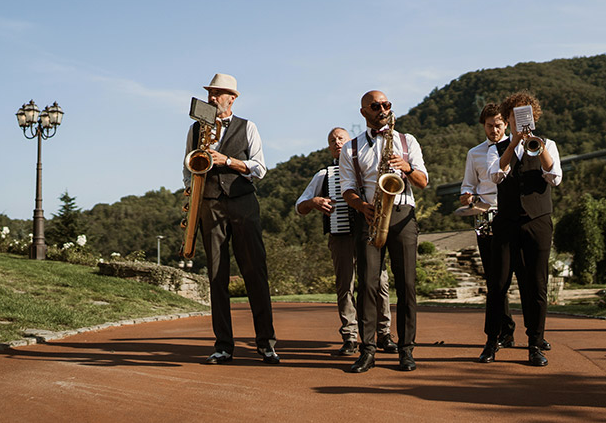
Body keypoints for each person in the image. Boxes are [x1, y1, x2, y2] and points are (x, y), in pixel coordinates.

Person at [183, 73, 279, 365]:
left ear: (232, 98)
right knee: (216, 276)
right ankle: (223, 345)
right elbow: (187, 168)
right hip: (209, 205)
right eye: (210, 93)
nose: (212, 98)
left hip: (243, 203)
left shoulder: (248, 126)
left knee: (255, 274)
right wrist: (192, 190)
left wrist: (227, 160)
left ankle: (266, 344)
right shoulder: (195, 128)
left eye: (217, 94)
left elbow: (260, 168)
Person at [339, 91, 428, 373]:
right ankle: (367, 351)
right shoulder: (350, 148)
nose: (382, 109)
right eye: (376, 106)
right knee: (367, 284)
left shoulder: (406, 141)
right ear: (364, 112)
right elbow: (347, 189)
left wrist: (406, 166)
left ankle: (406, 350)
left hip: (402, 214)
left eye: (387, 105)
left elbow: (423, 181)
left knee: (407, 285)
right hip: (370, 214)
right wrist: (361, 205)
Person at [295, 127, 398, 357]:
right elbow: (299, 207)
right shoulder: (324, 175)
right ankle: (350, 336)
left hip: (370, 233)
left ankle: (384, 334)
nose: (337, 142)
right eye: (332, 140)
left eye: (341, 138)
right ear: (329, 148)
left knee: (379, 282)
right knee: (346, 285)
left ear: (351, 143)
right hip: (340, 235)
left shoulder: (367, 168)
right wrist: (313, 202)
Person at [482, 90, 562, 367]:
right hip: (506, 221)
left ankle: (535, 343)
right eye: (515, 118)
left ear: (534, 118)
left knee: (536, 285)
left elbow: (555, 177)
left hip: (538, 221)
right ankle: (492, 341)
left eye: (526, 117)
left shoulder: (547, 144)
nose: (521, 122)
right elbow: (496, 175)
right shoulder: (495, 149)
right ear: (509, 120)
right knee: (497, 283)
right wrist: (513, 142)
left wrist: (537, 147)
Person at [459, 104, 516, 361]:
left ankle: (528, 334)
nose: (494, 130)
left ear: (506, 124)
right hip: (485, 216)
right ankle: (502, 332)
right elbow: (467, 185)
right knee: (494, 278)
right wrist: (466, 195)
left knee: (522, 275)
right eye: (490, 125)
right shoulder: (474, 153)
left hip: (515, 215)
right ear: (483, 125)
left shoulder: (519, 147)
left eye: (499, 125)